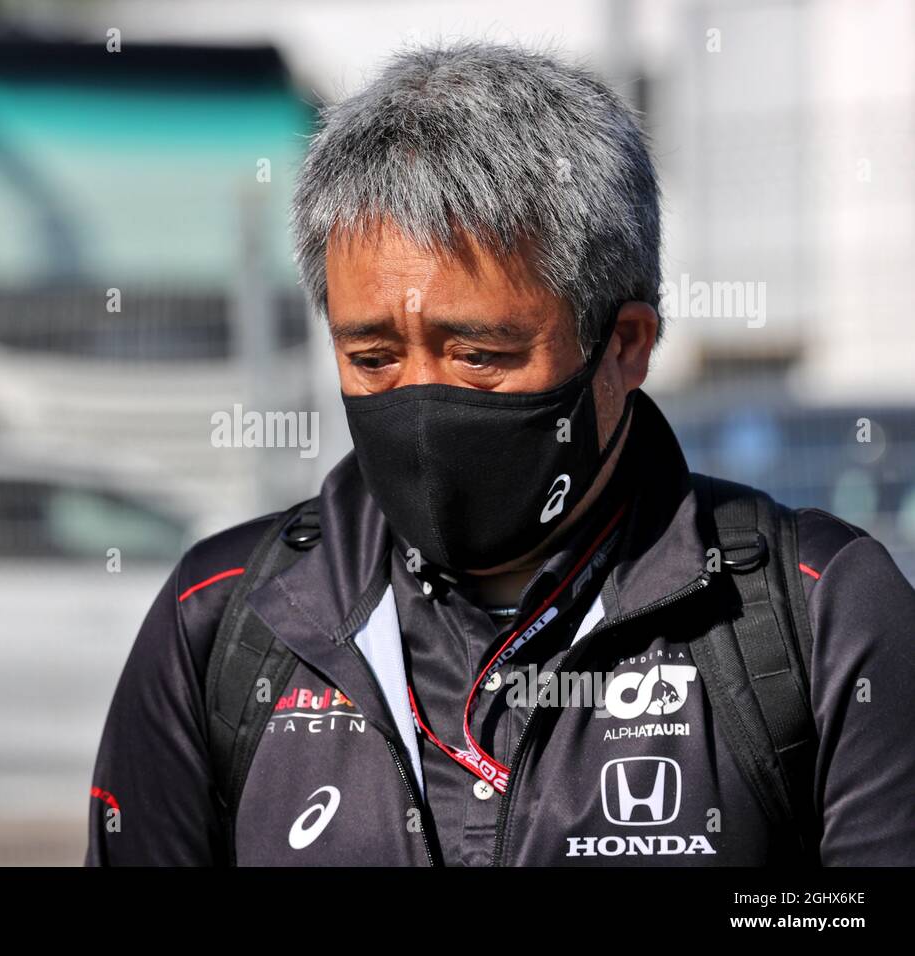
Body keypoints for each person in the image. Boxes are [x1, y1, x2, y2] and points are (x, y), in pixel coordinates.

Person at [84, 41, 915, 866]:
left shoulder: (816, 615)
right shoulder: (223, 620)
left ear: (623, 346)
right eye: (371, 358)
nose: (418, 400)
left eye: (478, 355)